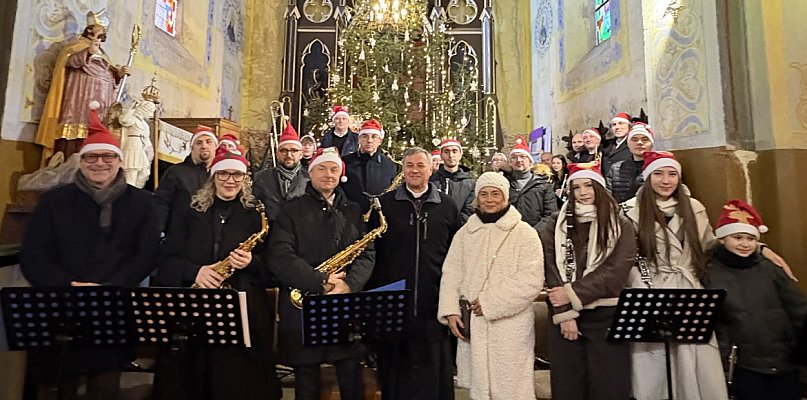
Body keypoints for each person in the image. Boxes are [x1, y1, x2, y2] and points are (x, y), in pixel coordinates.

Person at [21, 108, 160, 400]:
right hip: (60, 308)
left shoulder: (143, 204)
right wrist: (69, 285)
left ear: (120, 161)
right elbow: (34, 254)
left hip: (113, 307)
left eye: (107, 156)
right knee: (54, 388)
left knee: (105, 387)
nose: (100, 163)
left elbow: (147, 254)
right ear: (80, 161)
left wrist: (110, 288)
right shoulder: (53, 202)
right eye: (91, 157)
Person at [153, 148, 281, 400]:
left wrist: (252, 263)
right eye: (223, 174)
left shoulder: (258, 216)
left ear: (245, 180)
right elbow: (164, 261)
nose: (230, 180)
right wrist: (195, 272)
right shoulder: (189, 212)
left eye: (237, 174)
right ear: (212, 177)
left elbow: (274, 266)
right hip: (193, 308)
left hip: (242, 311)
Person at [266, 147, 374, 400]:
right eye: (322, 168)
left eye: (334, 169)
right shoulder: (290, 211)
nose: (328, 174)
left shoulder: (354, 210)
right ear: (311, 173)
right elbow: (279, 256)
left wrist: (349, 284)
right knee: (307, 383)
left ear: (341, 175)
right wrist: (321, 281)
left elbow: (367, 254)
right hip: (303, 305)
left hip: (343, 303)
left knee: (351, 378)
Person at [623, 151, 729, 399]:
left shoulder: (694, 208)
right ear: (647, 177)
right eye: (658, 174)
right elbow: (625, 257)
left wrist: (761, 248)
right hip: (651, 289)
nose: (665, 180)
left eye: (672, 174)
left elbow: (709, 245)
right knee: (656, 360)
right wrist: (640, 286)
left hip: (689, 288)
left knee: (694, 354)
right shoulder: (631, 210)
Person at [438, 172, 545, 400]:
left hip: (510, 325)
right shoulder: (465, 233)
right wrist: (450, 311)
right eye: (483, 194)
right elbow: (451, 273)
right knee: (479, 388)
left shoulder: (524, 233)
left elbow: (531, 279)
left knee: (512, 388)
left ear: (506, 196)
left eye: (495, 194)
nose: (489, 199)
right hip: (474, 325)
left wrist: (490, 303)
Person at [368, 147, 461, 400]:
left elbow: (456, 253)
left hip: (434, 301)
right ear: (403, 169)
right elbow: (371, 253)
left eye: (421, 165)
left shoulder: (448, 206)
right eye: (409, 165)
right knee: (394, 372)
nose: (415, 170)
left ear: (431, 169)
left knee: (434, 373)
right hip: (393, 302)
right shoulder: (383, 206)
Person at [540, 162, 635, 399]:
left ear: (600, 188)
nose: (583, 193)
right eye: (577, 187)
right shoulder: (555, 223)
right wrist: (564, 312)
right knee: (569, 387)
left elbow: (616, 271)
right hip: (565, 318)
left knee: (609, 386)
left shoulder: (621, 224)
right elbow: (550, 266)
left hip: (607, 315)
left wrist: (572, 294)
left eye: (589, 186)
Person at [705, 200, 807, 400]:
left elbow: (798, 308)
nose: (745, 244)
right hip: (744, 366)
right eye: (737, 237)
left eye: (751, 238)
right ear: (722, 238)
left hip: (784, 359)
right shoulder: (711, 273)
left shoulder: (770, 269)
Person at [36, 11, 131, 163]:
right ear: (89, 30)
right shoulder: (76, 46)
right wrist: (87, 53)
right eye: (98, 32)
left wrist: (118, 73)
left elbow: (107, 75)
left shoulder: (103, 53)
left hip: (101, 107)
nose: (100, 37)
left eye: (102, 34)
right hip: (79, 101)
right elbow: (69, 62)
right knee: (75, 143)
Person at [153, 125, 217, 232]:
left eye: (208, 142)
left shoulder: (220, 174)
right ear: (191, 148)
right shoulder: (175, 172)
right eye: (199, 143)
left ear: (215, 146)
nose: (204, 146)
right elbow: (161, 204)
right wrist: (158, 233)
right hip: (180, 235)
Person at [252, 122, 309, 222]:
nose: (289, 154)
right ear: (277, 154)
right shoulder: (261, 178)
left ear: (301, 154)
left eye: (294, 150)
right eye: (284, 150)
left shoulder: (310, 178)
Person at [341, 118, 398, 212]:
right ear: (359, 139)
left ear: (380, 141)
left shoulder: (389, 165)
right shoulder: (346, 162)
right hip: (351, 215)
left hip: (380, 215)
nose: (369, 140)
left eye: (374, 137)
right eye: (365, 136)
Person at [505, 135, 558, 231]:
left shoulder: (543, 184)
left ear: (530, 161)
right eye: (514, 157)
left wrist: (534, 231)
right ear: (510, 162)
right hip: (509, 233)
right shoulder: (504, 183)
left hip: (537, 234)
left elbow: (551, 214)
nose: (519, 160)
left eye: (523, 156)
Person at [606, 122, 654, 203]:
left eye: (645, 139)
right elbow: (608, 197)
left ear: (651, 144)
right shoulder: (616, 168)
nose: (639, 143)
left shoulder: (658, 168)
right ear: (628, 144)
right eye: (634, 139)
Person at [430, 138, 475, 225]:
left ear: (460, 154)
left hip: (461, 231)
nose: (450, 155)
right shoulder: (431, 181)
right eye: (446, 152)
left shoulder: (470, 183)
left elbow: (470, 210)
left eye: (454, 151)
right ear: (441, 155)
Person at [119, 99, 156, 188]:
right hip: (132, 148)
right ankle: (130, 194)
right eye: (150, 111)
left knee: (145, 173)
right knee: (131, 173)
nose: (151, 114)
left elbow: (146, 139)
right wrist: (131, 108)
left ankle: (137, 190)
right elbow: (124, 120)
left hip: (141, 148)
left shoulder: (144, 124)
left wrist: (150, 152)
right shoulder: (133, 119)